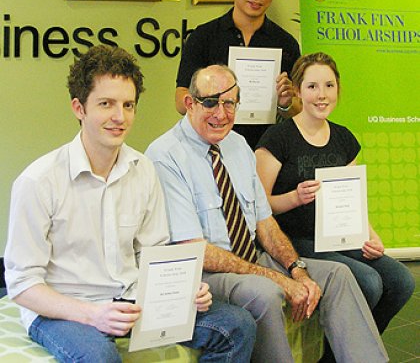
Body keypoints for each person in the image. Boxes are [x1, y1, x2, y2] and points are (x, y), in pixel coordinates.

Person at [4, 46, 256, 362]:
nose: (120, 117)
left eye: (128, 105)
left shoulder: (142, 169)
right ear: (79, 108)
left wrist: (183, 289)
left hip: (132, 298)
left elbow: (154, 252)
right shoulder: (38, 181)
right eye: (106, 104)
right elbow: (22, 284)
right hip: (65, 308)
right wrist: (92, 315)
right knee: (101, 358)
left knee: (237, 326)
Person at [146, 64, 389, 363]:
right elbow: (194, 250)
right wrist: (279, 279)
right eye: (210, 102)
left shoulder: (238, 146)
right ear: (190, 103)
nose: (221, 114)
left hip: (253, 257)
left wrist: (296, 268)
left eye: (229, 103)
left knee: (338, 274)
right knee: (265, 292)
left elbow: (264, 222)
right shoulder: (164, 155)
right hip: (206, 273)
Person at [255, 52, 415, 335]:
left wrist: (370, 235)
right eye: (312, 86)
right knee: (368, 282)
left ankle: (356, 347)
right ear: (297, 91)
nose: (322, 95)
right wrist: (295, 197)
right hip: (295, 241)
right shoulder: (277, 139)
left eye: (329, 85)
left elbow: (352, 200)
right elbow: (257, 206)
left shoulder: (344, 138)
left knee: (402, 281)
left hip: (338, 236)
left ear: (338, 88)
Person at [176, 0, 302, 150]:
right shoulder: (204, 36)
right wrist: (212, 100)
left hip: (268, 151)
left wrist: (285, 103)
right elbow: (180, 100)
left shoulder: (286, 44)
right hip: (211, 149)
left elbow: (298, 110)